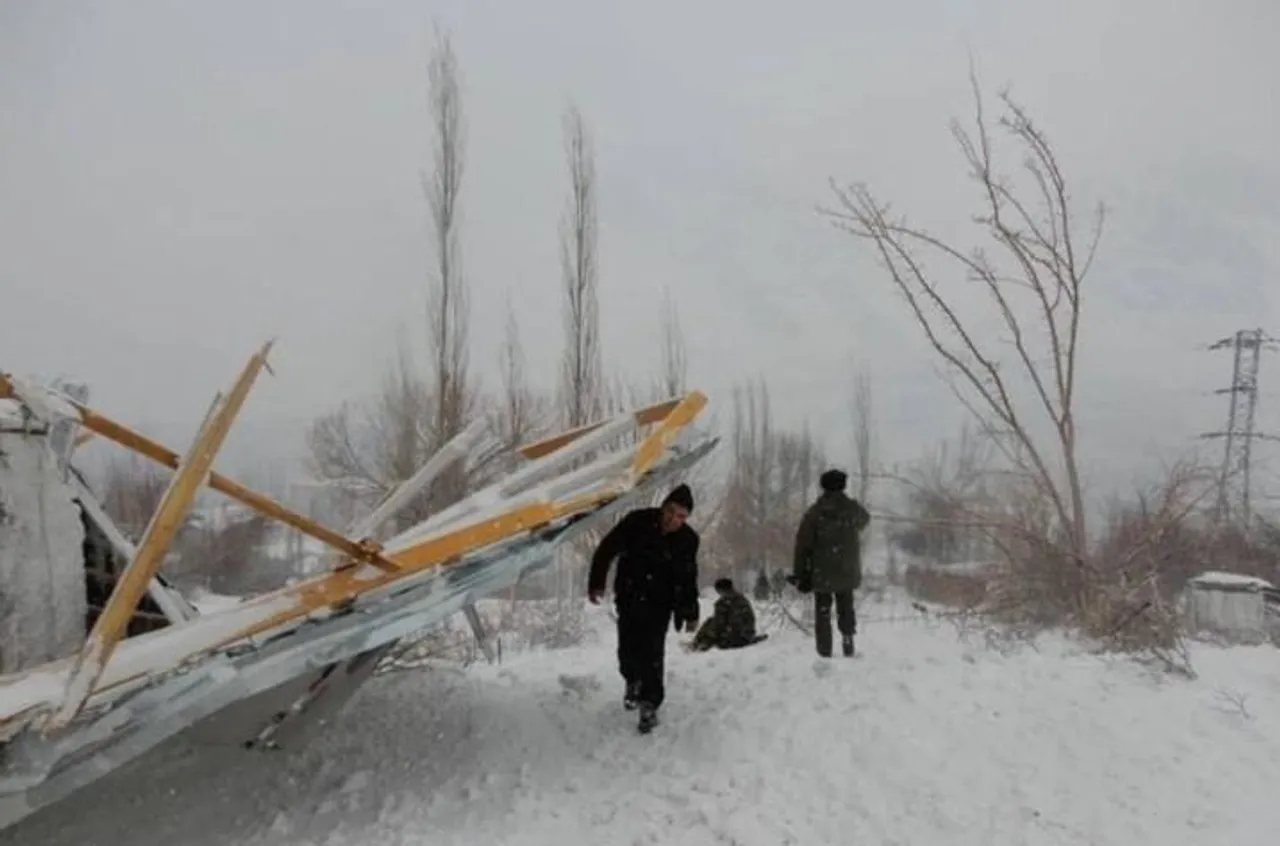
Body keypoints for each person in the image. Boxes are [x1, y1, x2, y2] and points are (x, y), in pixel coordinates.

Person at [588, 484, 700, 734]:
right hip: (630, 595)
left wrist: (690, 611)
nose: (674, 519)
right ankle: (631, 680)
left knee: (653, 653)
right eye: (671, 512)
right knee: (628, 648)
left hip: (661, 603)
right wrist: (597, 583)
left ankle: (650, 704)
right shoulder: (637, 522)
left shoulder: (688, 539)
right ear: (663, 507)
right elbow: (606, 550)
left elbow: (688, 577)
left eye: (681, 516)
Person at [791, 469, 870, 658]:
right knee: (846, 607)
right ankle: (848, 638)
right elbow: (865, 519)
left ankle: (824, 648)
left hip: (822, 572)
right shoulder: (851, 510)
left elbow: (803, 545)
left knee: (823, 611)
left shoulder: (815, 513)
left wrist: (801, 575)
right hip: (846, 570)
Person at [690, 578, 766, 652]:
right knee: (711, 622)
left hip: (733, 639)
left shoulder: (724, 603)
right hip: (747, 636)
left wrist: (708, 638)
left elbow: (719, 625)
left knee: (710, 622)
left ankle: (698, 644)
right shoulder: (741, 599)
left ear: (721, 590)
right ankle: (698, 642)